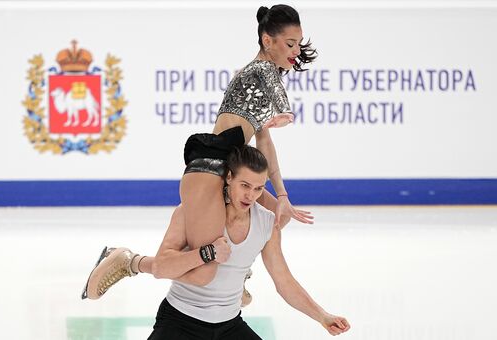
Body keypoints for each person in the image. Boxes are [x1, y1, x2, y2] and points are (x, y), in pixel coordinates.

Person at [82, 4, 318, 301]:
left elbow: (265, 144)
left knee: (275, 218)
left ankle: (239, 272)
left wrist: (282, 195)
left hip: (230, 168)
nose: (296, 50)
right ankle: (127, 261)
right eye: (290, 44)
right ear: (267, 41)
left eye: (298, 43)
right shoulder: (261, 70)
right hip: (211, 168)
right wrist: (285, 110)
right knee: (204, 272)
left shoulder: (262, 81)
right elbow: (274, 85)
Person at [148, 145, 350, 339]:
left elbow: (284, 281)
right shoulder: (192, 211)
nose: (250, 195)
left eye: (258, 188)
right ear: (229, 177)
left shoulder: (267, 222)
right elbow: (160, 266)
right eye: (245, 185)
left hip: (229, 325)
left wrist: (322, 316)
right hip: (180, 320)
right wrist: (207, 253)